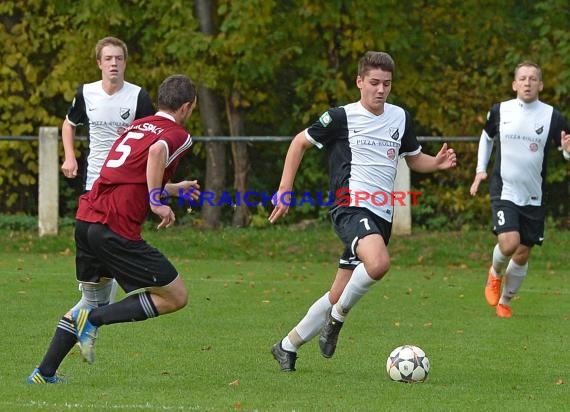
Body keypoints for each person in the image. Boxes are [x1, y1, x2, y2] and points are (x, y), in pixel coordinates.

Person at [268, 51, 457, 372]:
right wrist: (285, 188)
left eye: (387, 84)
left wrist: (435, 164)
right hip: (351, 206)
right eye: (374, 83)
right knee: (379, 263)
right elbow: (299, 142)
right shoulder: (341, 117)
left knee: (337, 292)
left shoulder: (400, 117)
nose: (381, 90)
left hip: (381, 216)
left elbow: (413, 158)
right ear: (359, 82)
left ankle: (287, 346)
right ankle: (337, 321)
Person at [27, 74, 199, 383]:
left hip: (88, 218)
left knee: (90, 301)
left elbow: (130, 171)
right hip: (114, 226)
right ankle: (93, 321)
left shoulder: (135, 127)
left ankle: (43, 373)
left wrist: (171, 188)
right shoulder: (177, 134)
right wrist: (157, 200)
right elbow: (157, 154)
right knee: (176, 296)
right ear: (186, 107)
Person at [470, 61, 570, 318]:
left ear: (541, 85)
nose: (527, 82)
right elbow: (486, 137)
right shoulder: (500, 111)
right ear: (515, 84)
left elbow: (567, 148)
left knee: (523, 252)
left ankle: (505, 300)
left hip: (534, 194)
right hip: (504, 189)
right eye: (523, 78)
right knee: (509, 242)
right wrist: (481, 168)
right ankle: (494, 274)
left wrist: (568, 152)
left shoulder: (552, 116)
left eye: (533, 78)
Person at [61, 36, 155, 306]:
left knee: (110, 238)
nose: (114, 63)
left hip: (124, 183)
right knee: (90, 237)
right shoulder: (86, 93)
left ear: (125, 63)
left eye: (119, 58)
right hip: (94, 179)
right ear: (99, 63)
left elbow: (152, 137)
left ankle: (99, 295)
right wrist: (70, 157)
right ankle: (97, 292)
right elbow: (69, 124)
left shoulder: (138, 96)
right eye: (108, 58)